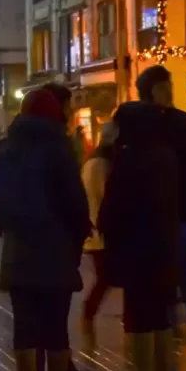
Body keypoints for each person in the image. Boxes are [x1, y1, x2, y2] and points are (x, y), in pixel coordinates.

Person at [0, 88, 90, 371]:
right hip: (55, 252)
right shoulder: (59, 149)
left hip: (17, 251)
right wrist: (76, 239)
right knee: (56, 329)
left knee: (24, 328)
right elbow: (75, 204)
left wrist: (11, 231)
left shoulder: (5, 151)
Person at [135, 65, 186, 371]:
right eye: (164, 86)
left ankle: (167, 360)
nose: (169, 91)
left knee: (164, 295)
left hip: (159, 222)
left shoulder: (140, 129)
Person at [98, 102, 180, 371]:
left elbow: (114, 207)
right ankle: (165, 365)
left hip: (136, 250)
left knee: (141, 316)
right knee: (160, 314)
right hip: (164, 248)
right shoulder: (165, 155)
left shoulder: (128, 159)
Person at [80, 121, 116, 341]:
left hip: (95, 231)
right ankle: (87, 314)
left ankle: (88, 314)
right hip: (100, 232)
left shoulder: (92, 162)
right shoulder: (101, 164)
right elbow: (106, 197)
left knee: (107, 276)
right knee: (106, 276)